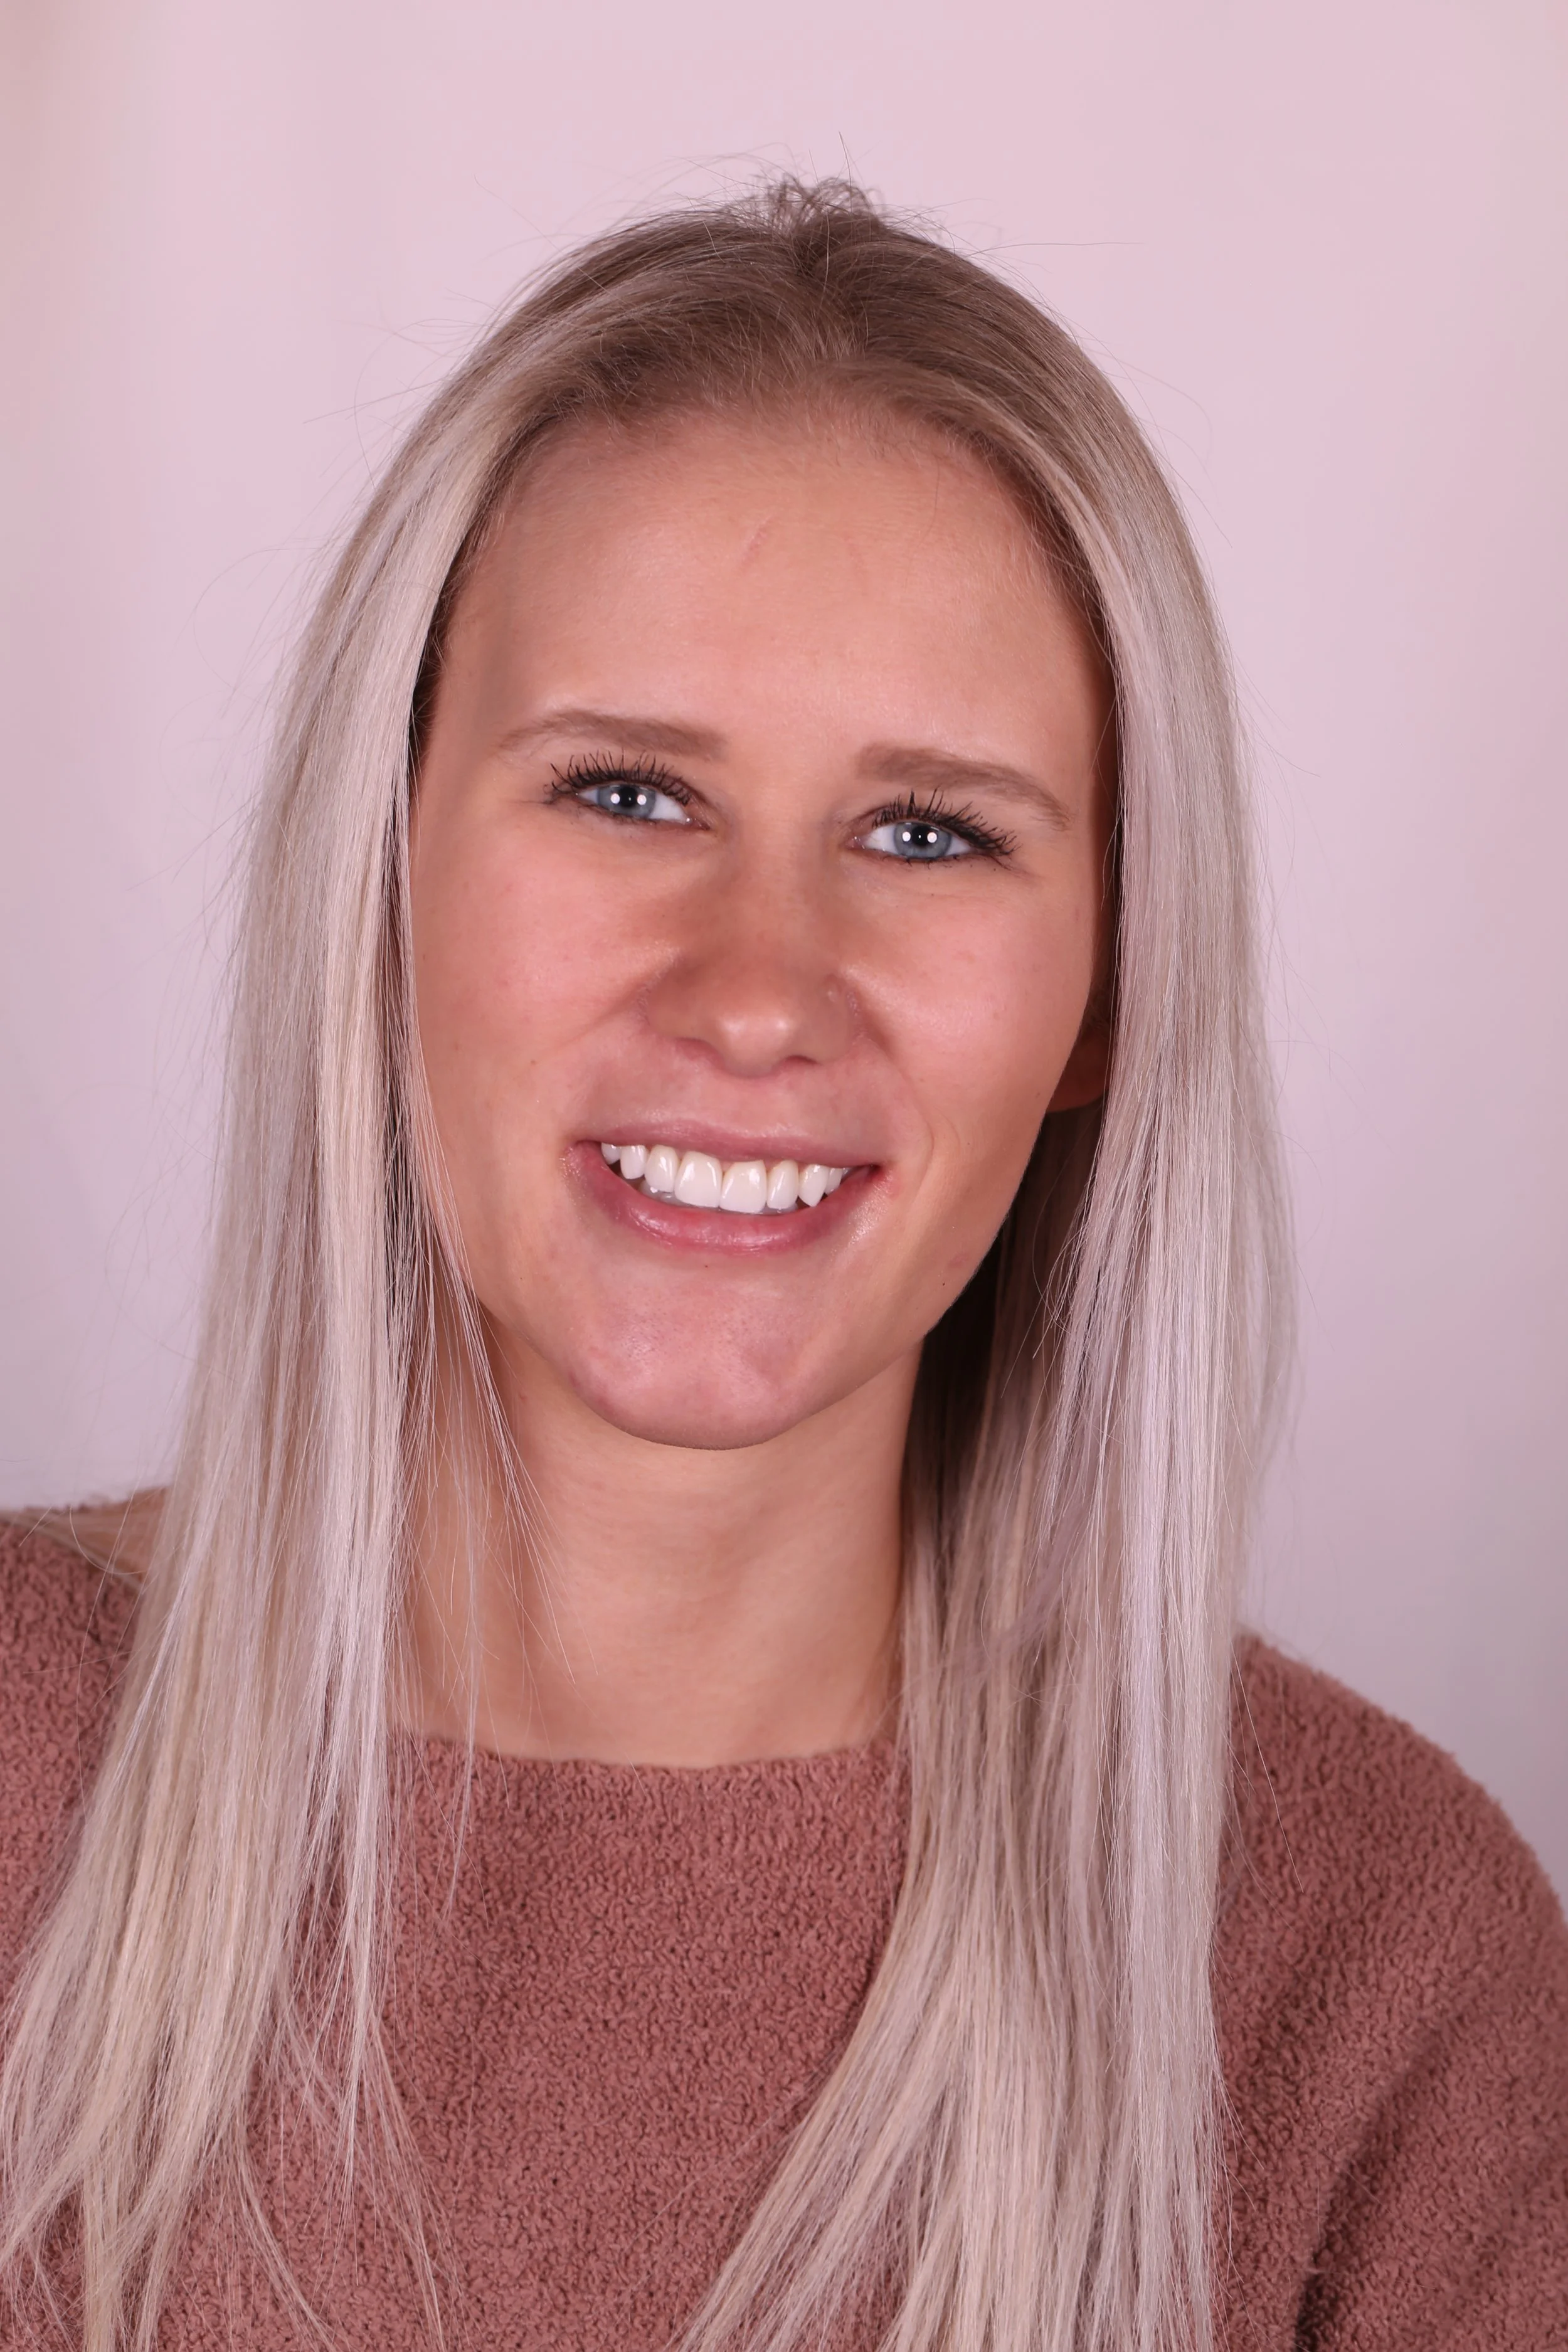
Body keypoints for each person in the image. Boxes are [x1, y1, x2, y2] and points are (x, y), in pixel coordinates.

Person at [1, 179, 1563, 2352]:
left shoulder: (1374, 1967)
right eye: (627, 790)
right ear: (382, 884)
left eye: (932, 833)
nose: (756, 991)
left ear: (1111, 983)